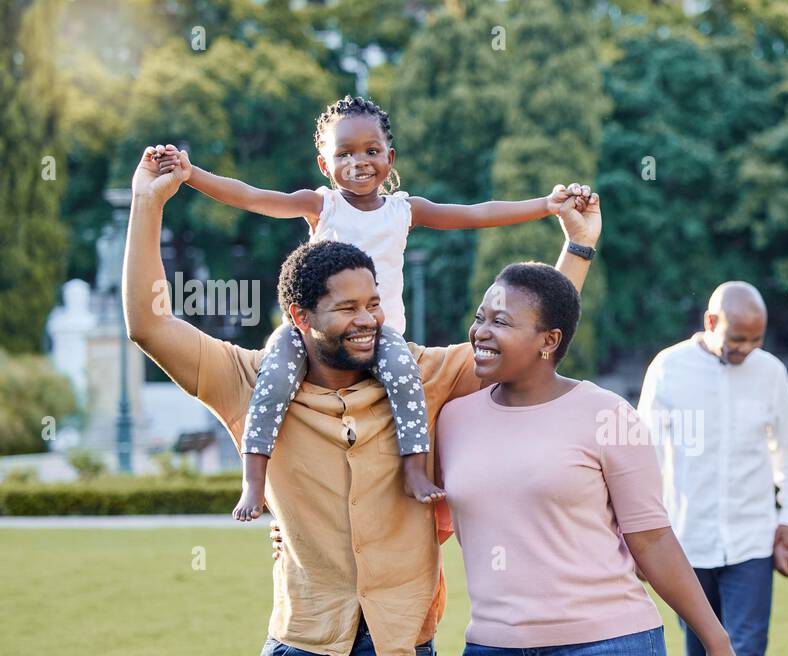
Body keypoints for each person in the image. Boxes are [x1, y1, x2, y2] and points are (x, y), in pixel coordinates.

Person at [124, 143, 597, 656]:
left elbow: (527, 342)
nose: (367, 318)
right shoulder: (248, 382)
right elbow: (148, 326)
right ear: (298, 314)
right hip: (296, 652)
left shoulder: (424, 377)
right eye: (346, 307)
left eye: (373, 302)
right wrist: (147, 205)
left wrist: (577, 248)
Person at [436, 256, 749, 656]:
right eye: (480, 316)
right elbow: (413, 513)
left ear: (549, 341)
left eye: (501, 321)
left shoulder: (607, 416)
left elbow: (653, 540)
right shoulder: (454, 418)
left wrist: (716, 642)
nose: (480, 331)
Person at [153, 95, 585, 520]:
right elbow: (251, 196)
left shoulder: (404, 211)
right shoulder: (322, 205)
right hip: (312, 334)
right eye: (345, 153)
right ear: (325, 165)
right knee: (272, 382)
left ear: (390, 157)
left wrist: (544, 207)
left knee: (405, 379)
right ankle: (253, 480)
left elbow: (476, 213)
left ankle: (414, 469)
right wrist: (191, 175)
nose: (359, 161)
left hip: (380, 334)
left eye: (372, 151)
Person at [637, 281, 788, 656]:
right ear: (711, 322)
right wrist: (644, 534)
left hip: (753, 539)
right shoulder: (667, 368)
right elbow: (642, 455)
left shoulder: (771, 372)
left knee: (747, 653)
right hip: (685, 541)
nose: (747, 350)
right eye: (738, 339)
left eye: (756, 340)